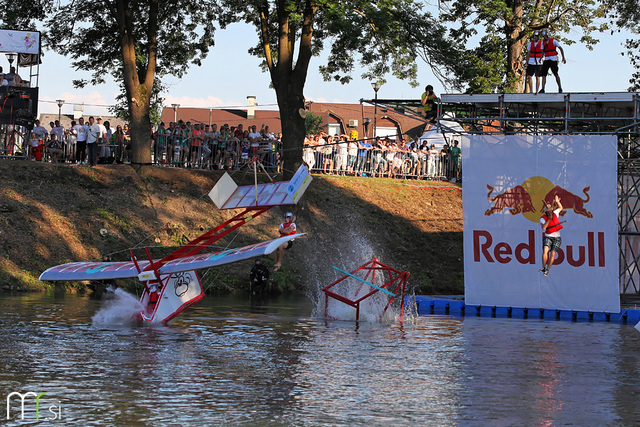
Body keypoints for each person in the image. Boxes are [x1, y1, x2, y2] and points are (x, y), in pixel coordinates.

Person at [540, 195, 564, 276]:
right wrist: (549, 219)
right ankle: (543, 267)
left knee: (553, 253)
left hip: (557, 238)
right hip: (548, 236)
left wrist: (557, 201)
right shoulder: (543, 219)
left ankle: (547, 269)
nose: (550, 212)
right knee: (545, 251)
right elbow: (543, 228)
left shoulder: (555, 213)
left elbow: (560, 208)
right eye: (549, 212)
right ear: (546, 212)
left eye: (551, 211)